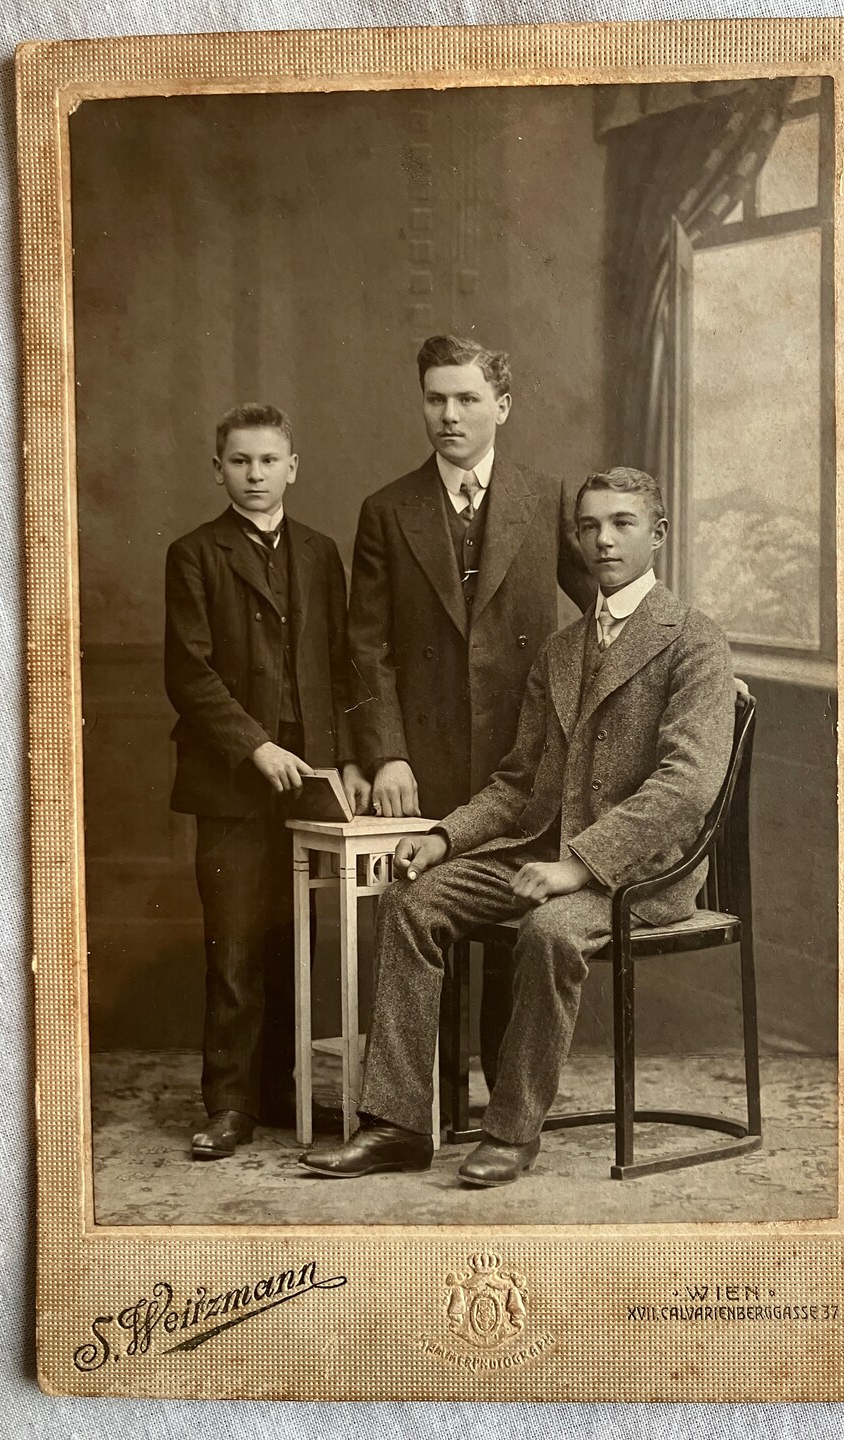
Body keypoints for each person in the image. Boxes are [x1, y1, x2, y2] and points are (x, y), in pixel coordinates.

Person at [300, 467, 735, 1186]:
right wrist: (444, 837)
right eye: (590, 525)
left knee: (549, 930)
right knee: (413, 902)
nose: (603, 539)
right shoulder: (562, 652)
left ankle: (511, 1130)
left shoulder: (694, 642)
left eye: (623, 523)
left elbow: (685, 787)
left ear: (657, 535)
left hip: (637, 874)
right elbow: (514, 785)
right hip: (537, 851)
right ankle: (399, 1124)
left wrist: (582, 865)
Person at [348, 335, 594, 1100]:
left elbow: (605, 602)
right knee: (423, 909)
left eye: (465, 399)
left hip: (523, 755)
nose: (448, 416)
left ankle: (502, 1103)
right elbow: (367, 648)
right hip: (426, 754)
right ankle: (432, 1102)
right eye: (434, 399)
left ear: (502, 406)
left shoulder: (545, 496)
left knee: (516, 912)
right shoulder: (388, 509)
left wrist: (667, 659)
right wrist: (387, 753)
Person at [165, 403, 370, 1161]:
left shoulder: (319, 553)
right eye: (240, 462)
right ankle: (228, 1104)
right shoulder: (195, 554)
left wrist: (343, 754)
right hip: (233, 780)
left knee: (294, 938)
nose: (255, 475)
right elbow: (189, 673)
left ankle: (281, 1090)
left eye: (268, 461)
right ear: (217, 468)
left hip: (309, 778)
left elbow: (341, 663)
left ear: (294, 466)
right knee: (235, 944)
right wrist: (254, 746)